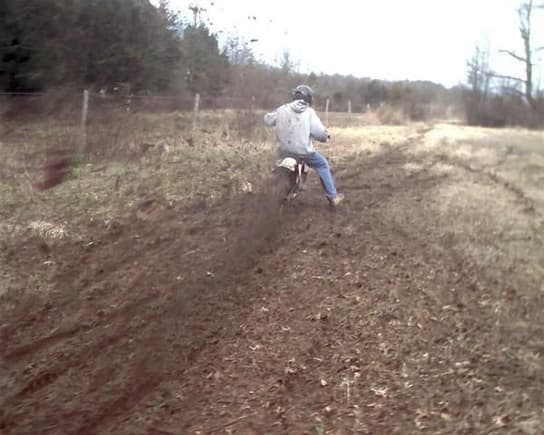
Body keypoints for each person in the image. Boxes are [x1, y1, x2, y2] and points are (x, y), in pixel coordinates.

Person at [264, 85, 344, 206]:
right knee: (322, 164)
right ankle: (333, 197)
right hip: (304, 153)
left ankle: (270, 190)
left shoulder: (282, 109)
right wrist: (325, 137)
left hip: (284, 151)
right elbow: (319, 133)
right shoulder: (309, 112)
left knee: (275, 165)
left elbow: (267, 120)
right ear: (309, 99)